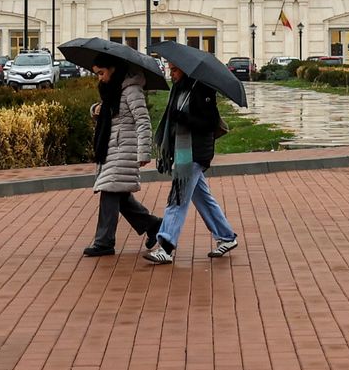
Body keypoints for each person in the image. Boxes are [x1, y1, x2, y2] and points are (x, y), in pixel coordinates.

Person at [146, 63, 239, 263]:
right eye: (170, 69)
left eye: (175, 70)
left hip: (194, 153)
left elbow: (209, 122)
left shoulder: (202, 90)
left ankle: (166, 246)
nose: (172, 74)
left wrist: (184, 118)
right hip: (184, 152)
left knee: (177, 198)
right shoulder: (180, 90)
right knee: (202, 198)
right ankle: (226, 236)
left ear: (186, 70)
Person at [83, 57, 160, 257]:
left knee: (109, 191)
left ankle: (104, 242)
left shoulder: (131, 90)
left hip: (124, 148)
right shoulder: (112, 89)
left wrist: (144, 151)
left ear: (114, 69)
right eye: (97, 74)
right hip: (112, 148)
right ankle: (153, 225)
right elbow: (111, 114)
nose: (100, 78)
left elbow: (143, 121)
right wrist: (96, 110)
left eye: (102, 73)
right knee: (120, 194)